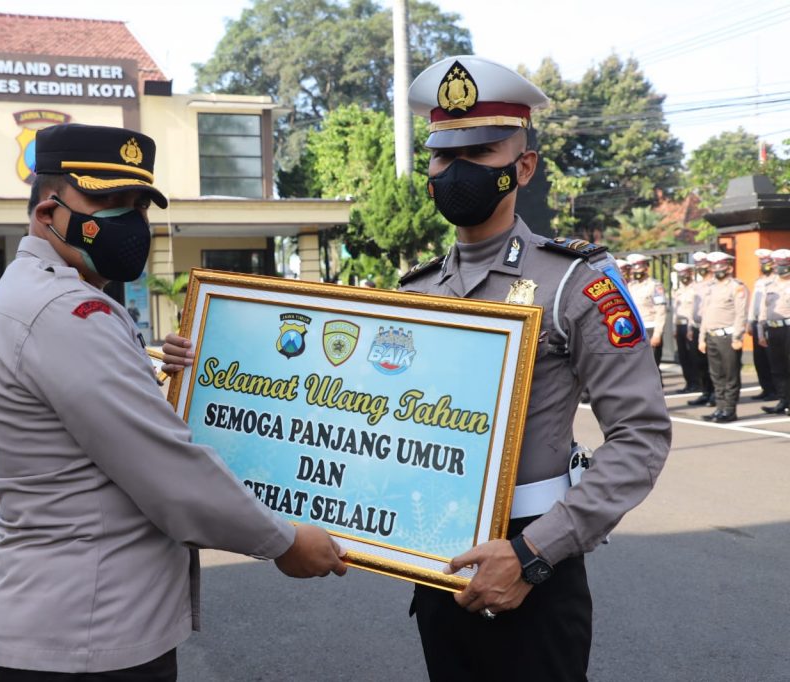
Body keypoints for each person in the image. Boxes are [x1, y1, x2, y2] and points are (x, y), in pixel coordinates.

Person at [165, 55, 671, 682]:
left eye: (481, 151)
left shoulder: (574, 284)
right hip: (434, 556)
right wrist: (204, 363)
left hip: (533, 560)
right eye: (441, 154)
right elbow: (341, 408)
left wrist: (534, 554)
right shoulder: (415, 293)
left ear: (524, 166)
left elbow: (640, 439)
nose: (456, 170)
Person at [0, 123, 346, 682]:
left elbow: (87, 434)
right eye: (106, 200)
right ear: (47, 213)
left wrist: (176, 382)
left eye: (138, 204)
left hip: (67, 618)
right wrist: (284, 541)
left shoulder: (34, 294)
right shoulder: (67, 312)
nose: (130, 222)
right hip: (91, 632)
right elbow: (166, 471)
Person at [698, 251, 748, 422]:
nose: (717, 270)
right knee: (716, 375)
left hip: (728, 337)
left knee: (730, 375)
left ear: (729, 268)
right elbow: (705, 314)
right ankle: (719, 408)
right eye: (715, 267)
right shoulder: (710, 288)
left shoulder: (736, 286)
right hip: (711, 336)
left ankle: (729, 410)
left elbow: (741, 314)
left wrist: (737, 337)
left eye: (721, 267)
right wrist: (702, 338)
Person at [759, 249, 790, 415]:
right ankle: (783, 399)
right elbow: (764, 310)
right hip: (772, 328)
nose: (779, 268)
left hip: (788, 328)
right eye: (777, 265)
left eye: (783, 265)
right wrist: (761, 332)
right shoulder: (769, 285)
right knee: (777, 367)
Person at [625, 253, 666, 368]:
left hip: (650, 329)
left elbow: (661, 311)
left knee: (652, 365)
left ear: (646, 268)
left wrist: (657, 334)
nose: (636, 271)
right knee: (638, 366)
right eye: (634, 268)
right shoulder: (631, 286)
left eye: (640, 268)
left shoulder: (655, 285)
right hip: (635, 330)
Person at [687, 251, 717, 407]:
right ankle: (705, 392)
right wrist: (690, 327)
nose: (701, 268)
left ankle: (715, 393)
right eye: (698, 266)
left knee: (712, 363)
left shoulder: (714, 284)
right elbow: (693, 307)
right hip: (697, 327)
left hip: (709, 327)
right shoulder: (696, 285)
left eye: (703, 265)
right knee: (699, 363)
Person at [748, 248, 777, 400]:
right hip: (757, 322)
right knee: (759, 360)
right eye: (762, 263)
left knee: (771, 358)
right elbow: (754, 303)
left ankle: (776, 390)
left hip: (770, 323)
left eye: (767, 263)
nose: (764, 265)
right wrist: (749, 320)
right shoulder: (759, 281)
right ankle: (766, 388)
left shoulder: (777, 281)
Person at [671, 262, 700, 393]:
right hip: (679, 325)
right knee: (683, 357)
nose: (683, 277)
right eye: (681, 274)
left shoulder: (696, 289)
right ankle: (689, 383)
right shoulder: (678, 290)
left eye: (685, 274)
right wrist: (674, 327)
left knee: (693, 355)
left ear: (691, 274)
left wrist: (690, 327)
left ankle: (697, 382)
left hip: (690, 326)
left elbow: (695, 310)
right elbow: (675, 311)